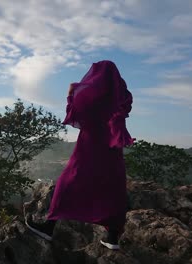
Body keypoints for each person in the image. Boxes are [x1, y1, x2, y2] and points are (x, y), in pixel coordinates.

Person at [25, 60, 135, 250]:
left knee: (68, 181)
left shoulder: (92, 96)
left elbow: (76, 112)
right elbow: (125, 105)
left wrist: (70, 94)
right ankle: (113, 237)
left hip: (90, 143)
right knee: (112, 186)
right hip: (112, 146)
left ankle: (49, 227)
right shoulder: (121, 95)